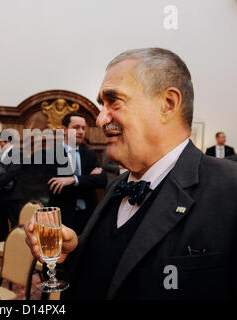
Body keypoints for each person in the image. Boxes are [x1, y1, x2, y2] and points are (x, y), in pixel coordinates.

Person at [25, 48, 237, 299]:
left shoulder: (229, 189)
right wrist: (71, 253)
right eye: (101, 105)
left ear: (167, 104)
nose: (102, 119)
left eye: (114, 101)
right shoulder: (118, 186)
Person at [45, 112, 107, 235]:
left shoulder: (89, 154)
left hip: (88, 214)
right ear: (64, 130)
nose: (81, 132)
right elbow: (55, 187)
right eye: (76, 127)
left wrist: (73, 179)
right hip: (63, 217)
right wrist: (89, 179)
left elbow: (102, 180)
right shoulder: (51, 154)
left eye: (83, 128)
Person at [0, 132, 24, 241]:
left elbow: (12, 172)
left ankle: (15, 244)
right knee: (1, 221)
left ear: (7, 141)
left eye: (0, 141)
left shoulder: (18, 154)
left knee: (14, 221)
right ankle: (2, 243)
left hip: (12, 194)